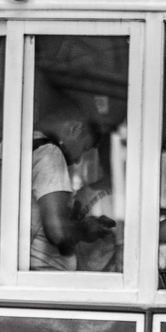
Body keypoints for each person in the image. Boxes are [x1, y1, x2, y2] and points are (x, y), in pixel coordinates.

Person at [30, 112, 116, 271]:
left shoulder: (19, 144)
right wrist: (86, 229)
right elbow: (58, 233)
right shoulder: (49, 153)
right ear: (75, 128)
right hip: (43, 276)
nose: (77, 160)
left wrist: (75, 223)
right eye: (84, 148)